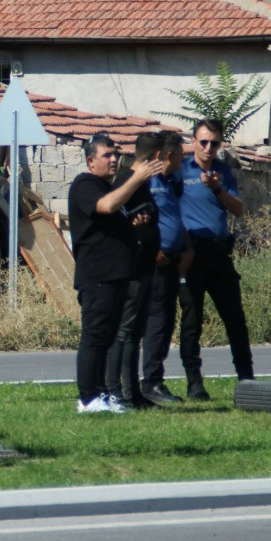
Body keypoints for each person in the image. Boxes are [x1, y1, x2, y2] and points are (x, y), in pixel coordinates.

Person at [68, 133, 165, 413]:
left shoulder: (106, 188)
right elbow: (106, 206)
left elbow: (111, 216)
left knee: (108, 338)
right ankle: (87, 398)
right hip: (98, 276)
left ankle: (102, 394)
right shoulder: (84, 184)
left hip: (117, 276)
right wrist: (137, 176)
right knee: (94, 337)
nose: (113, 159)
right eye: (106, 155)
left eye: (114, 154)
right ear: (91, 161)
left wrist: (132, 223)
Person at [178, 118, 254, 400]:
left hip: (219, 252)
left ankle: (246, 378)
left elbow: (239, 210)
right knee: (192, 320)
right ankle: (194, 382)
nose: (209, 148)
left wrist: (217, 189)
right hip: (191, 253)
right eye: (204, 142)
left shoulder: (223, 172)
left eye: (215, 143)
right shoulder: (180, 171)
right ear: (193, 142)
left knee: (235, 317)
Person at [104, 132, 163, 409]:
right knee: (124, 333)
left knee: (135, 333)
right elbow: (112, 217)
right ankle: (117, 393)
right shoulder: (129, 181)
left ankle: (134, 393)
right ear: (158, 157)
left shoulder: (144, 184)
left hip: (146, 266)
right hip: (131, 269)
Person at [139, 131, 191, 406]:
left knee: (166, 321)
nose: (185, 159)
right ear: (169, 155)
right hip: (156, 262)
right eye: (182, 154)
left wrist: (187, 247)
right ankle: (151, 382)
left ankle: (156, 378)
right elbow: (142, 217)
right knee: (157, 324)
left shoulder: (169, 182)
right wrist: (155, 247)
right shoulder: (147, 181)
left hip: (173, 260)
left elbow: (174, 217)